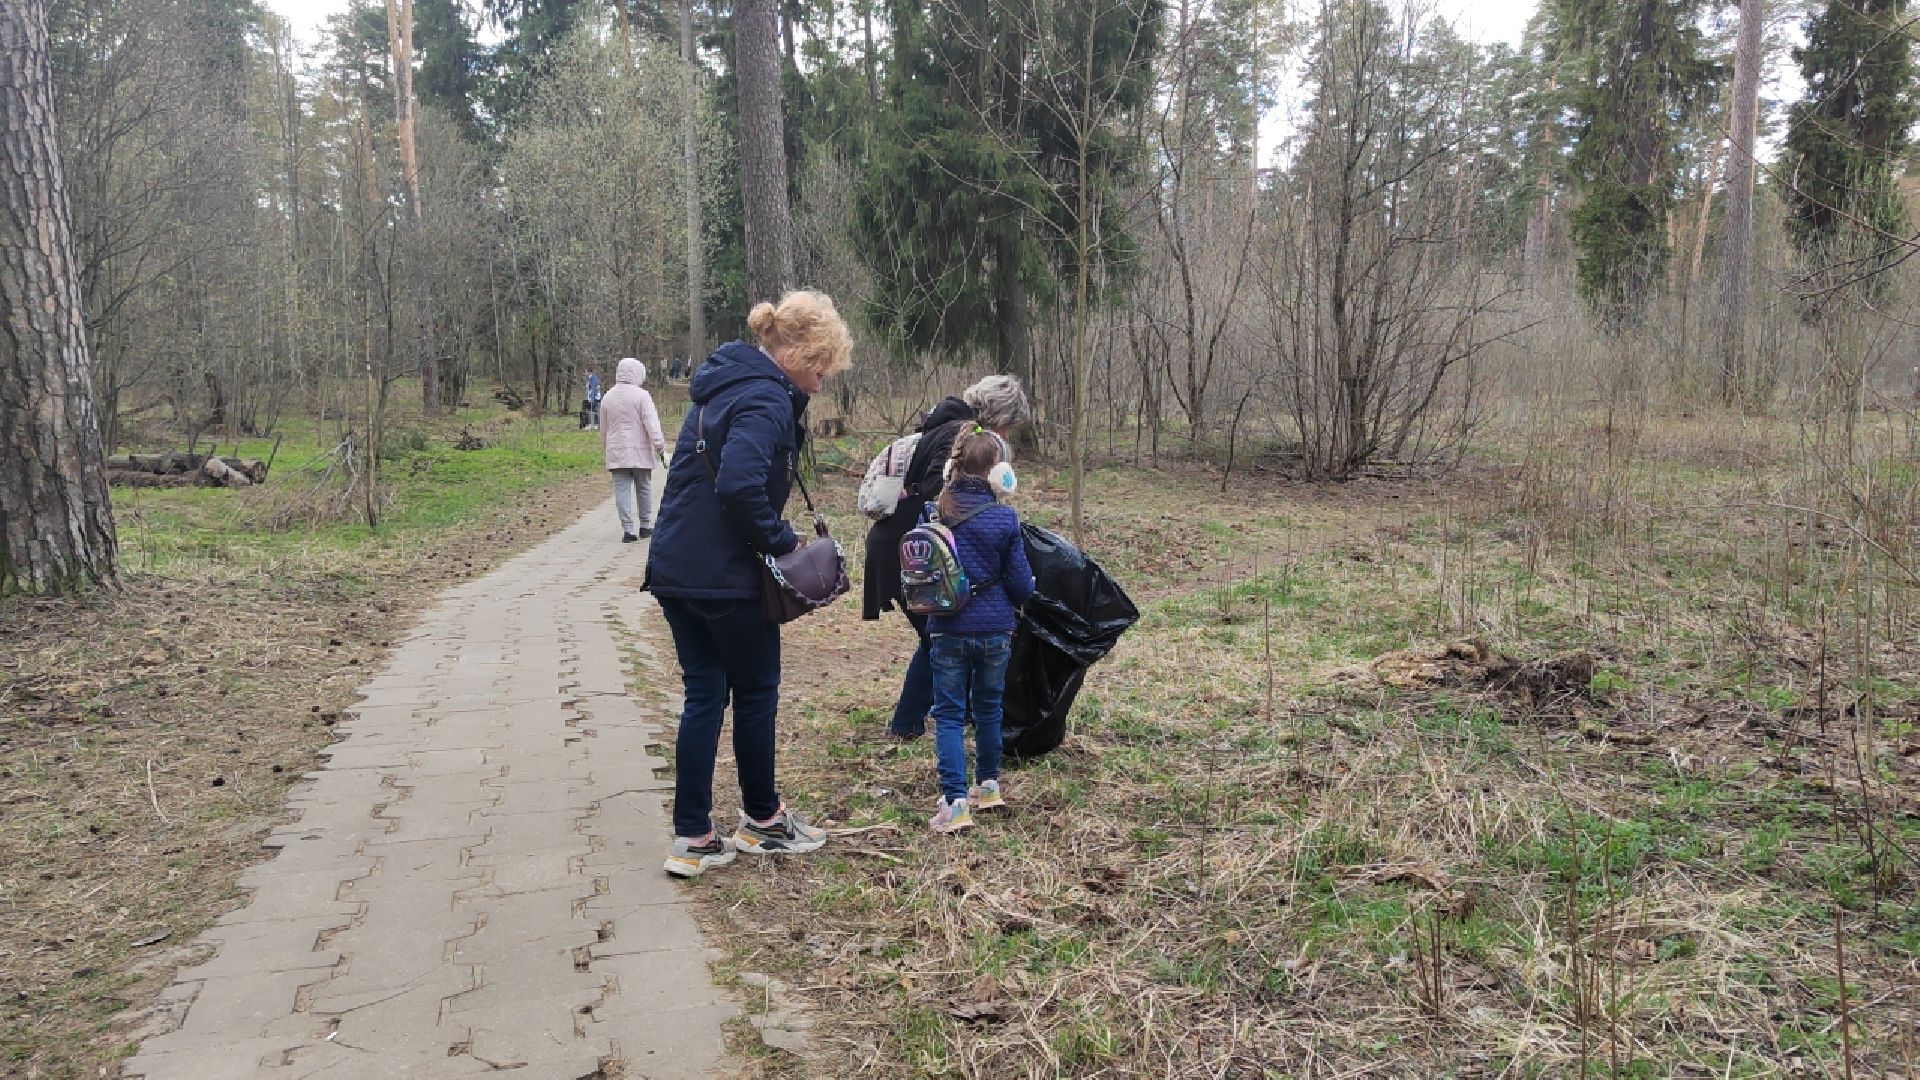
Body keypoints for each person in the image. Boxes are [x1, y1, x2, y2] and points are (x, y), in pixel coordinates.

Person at [645, 290, 854, 877]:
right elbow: (738, 486)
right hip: (724, 579)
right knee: (756, 691)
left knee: (704, 696)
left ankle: (693, 837)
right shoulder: (764, 397)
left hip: (676, 570)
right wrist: (781, 541)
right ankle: (763, 820)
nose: (818, 384)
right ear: (795, 352)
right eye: (818, 368)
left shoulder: (726, 385)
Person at [863, 375, 1033, 739]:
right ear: (998, 416)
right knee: (936, 639)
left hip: (906, 545)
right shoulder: (960, 435)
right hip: (912, 550)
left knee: (940, 637)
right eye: (1007, 426)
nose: (1006, 434)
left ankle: (941, 718)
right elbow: (940, 497)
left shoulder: (949, 428)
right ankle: (908, 724)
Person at [925, 429, 1036, 833]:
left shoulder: (936, 512)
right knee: (989, 709)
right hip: (996, 631)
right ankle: (987, 787)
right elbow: (1022, 585)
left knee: (950, 714)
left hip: (947, 629)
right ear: (999, 474)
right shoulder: (1005, 519)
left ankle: (954, 803)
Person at [600, 357, 667, 543]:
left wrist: (607, 447)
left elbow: (603, 428)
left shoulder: (608, 397)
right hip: (640, 451)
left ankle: (628, 530)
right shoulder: (642, 396)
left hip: (616, 452)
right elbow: (652, 424)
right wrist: (661, 448)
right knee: (644, 488)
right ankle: (645, 526)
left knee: (621, 490)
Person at [584, 366, 604, 430]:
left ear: (589, 372)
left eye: (586, 372)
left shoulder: (594, 378)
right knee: (592, 411)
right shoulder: (590, 378)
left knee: (596, 411)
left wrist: (591, 398)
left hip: (595, 397)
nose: (585, 373)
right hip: (591, 397)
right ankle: (593, 425)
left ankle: (596, 425)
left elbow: (593, 388)